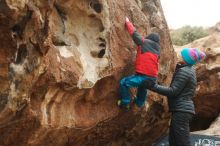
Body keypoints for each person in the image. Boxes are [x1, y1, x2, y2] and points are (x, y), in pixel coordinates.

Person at [141, 48, 206, 146]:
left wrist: (152, 86)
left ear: (186, 59)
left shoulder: (185, 71)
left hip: (181, 111)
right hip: (181, 110)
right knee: (174, 141)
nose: (178, 55)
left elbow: (173, 91)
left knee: (182, 142)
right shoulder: (188, 69)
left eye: (182, 55)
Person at [117, 17, 160, 110]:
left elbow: (134, 33)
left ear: (149, 38)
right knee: (143, 87)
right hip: (152, 79)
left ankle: (125, 102)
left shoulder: (145, 42)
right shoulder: (158, 50)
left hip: (143, 77)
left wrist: (127, 22)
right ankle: (139, 103)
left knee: (123, 83)